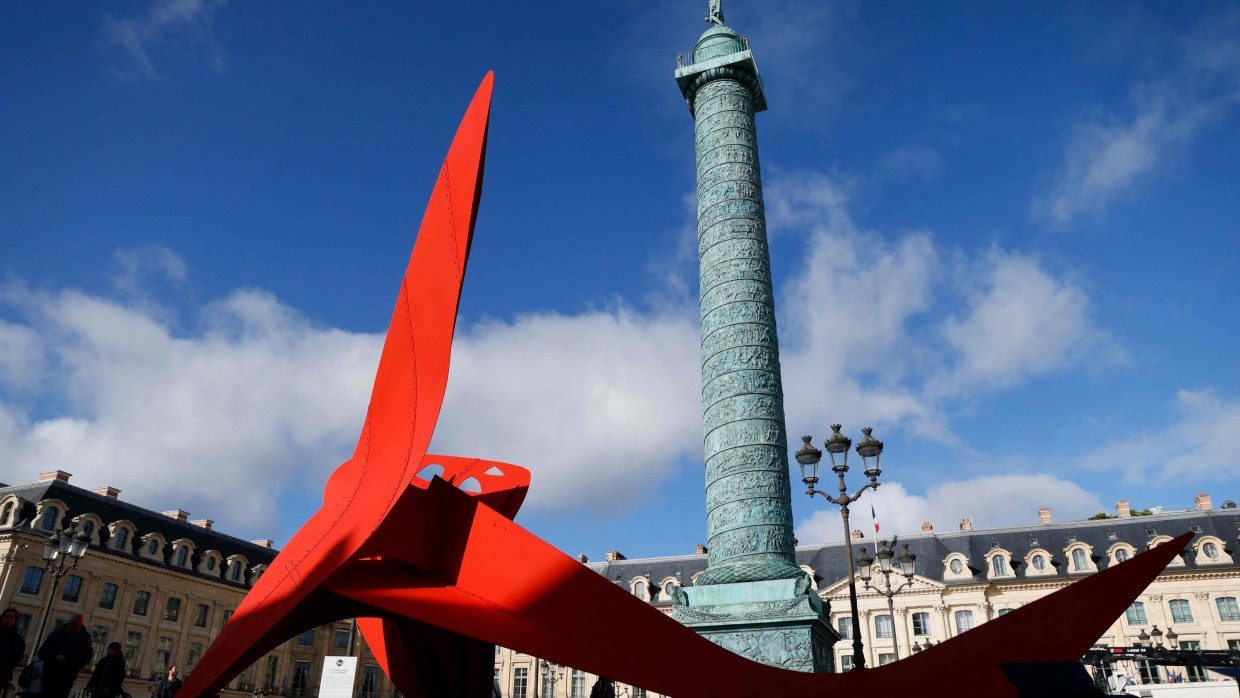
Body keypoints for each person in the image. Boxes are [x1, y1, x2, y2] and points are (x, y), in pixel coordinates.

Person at [36, 615, 92, 698]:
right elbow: (42, 652)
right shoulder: (55, 634)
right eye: (75, 624)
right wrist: (55, 656)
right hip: (51, 673)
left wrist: (77, 665)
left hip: (68, 675)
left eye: (80, 625)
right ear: (69, 624)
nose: (78, 627)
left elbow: (88, 655)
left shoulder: (85, 637)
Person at [0, 609, 26, 697]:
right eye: (7, 616)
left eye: (12, 618)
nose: (9, 619)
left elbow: (16, 658)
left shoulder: (17, 640)